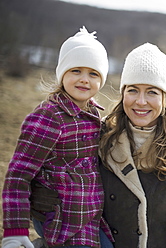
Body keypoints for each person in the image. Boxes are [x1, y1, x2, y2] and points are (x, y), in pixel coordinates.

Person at [31, 42, 166, 248]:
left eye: (152, 92)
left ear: (165, 97)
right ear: (123, 93)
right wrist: (43, 199)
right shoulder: (98, 136)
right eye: (133, 90)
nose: (141, 101)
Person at [2, 26, 114, 248]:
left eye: (93, 73)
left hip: (88, 216)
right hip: (60, 220)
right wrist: (15, 230)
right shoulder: (48, 117)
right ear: (62, 73)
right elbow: (18, 175)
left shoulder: (93, 114)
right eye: (76, 71)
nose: (84, 79)